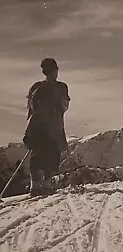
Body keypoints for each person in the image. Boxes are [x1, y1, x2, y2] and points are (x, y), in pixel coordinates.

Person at [23, 58, 71, 196]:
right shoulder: (61, 87)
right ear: (55, 70)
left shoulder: (36, 87)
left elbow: (31, 109)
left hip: (38, 125)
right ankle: (45, 185)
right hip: (53, 126)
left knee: (38, 155)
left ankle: (36, 186)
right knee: (51, 154)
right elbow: (65, 106)